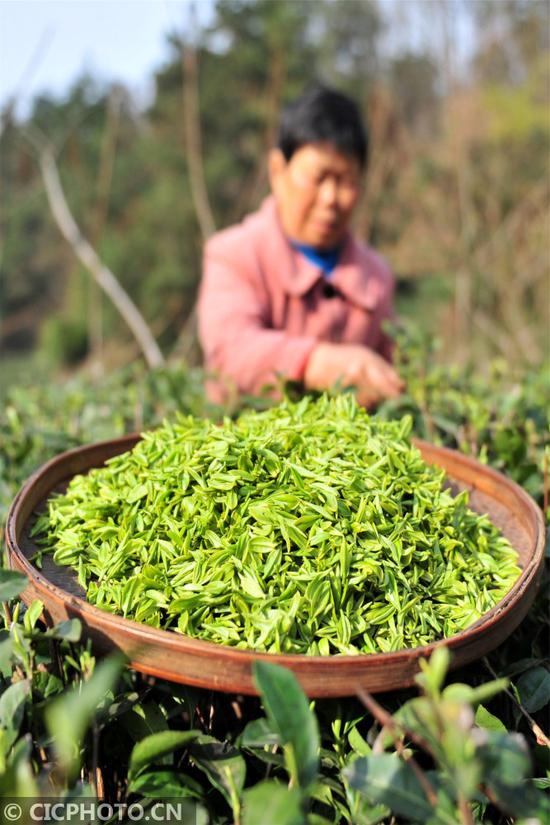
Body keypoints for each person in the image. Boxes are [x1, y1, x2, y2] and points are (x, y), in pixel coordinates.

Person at [197, 84, 404, 407]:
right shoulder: (234, 255)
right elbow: (230, 353)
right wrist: (317, 363)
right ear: (278, 171)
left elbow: (399, 367)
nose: (331, 199)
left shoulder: (375, 276)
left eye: (346, 181)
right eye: (319, 178)